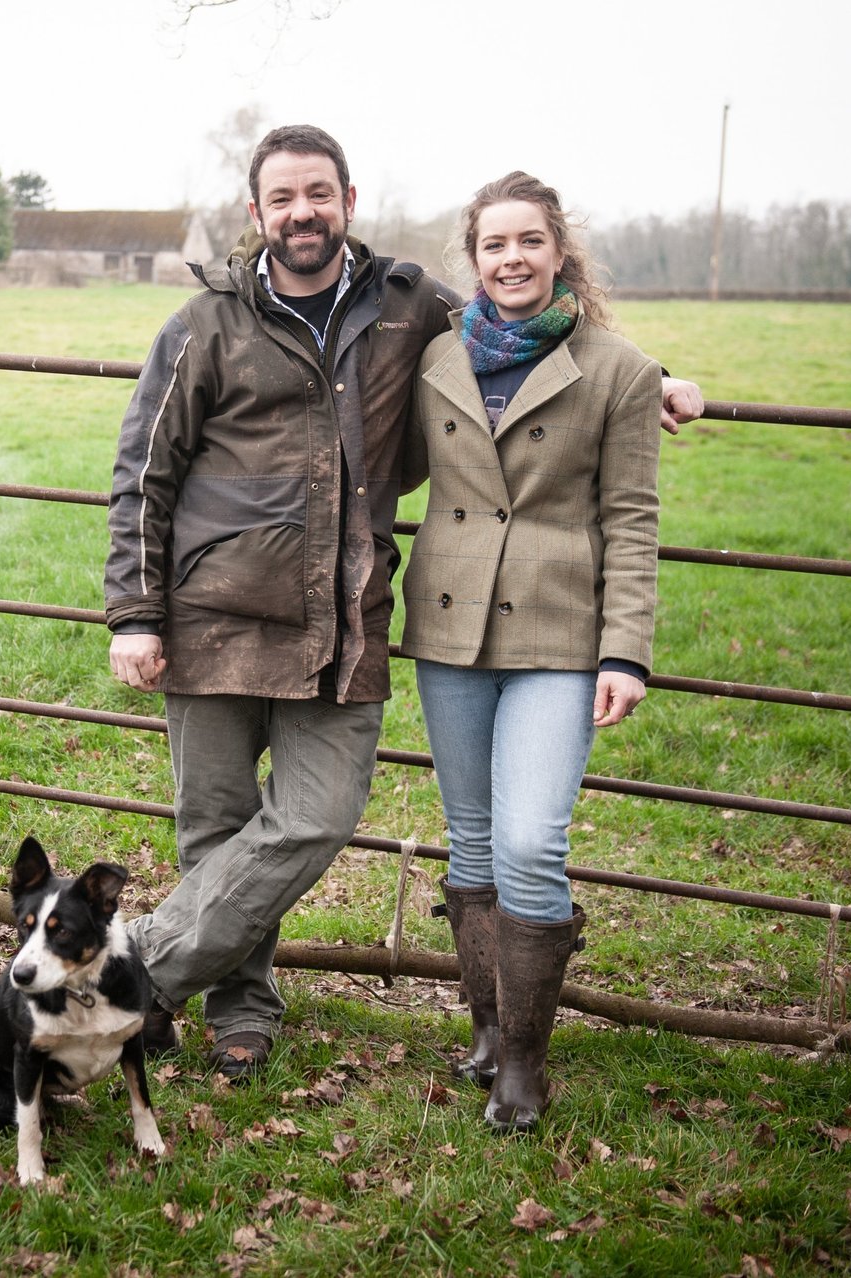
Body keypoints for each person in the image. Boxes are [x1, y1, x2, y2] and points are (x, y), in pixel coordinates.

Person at [104, 127, 699, 1083]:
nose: (303, 213)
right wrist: (134, 612)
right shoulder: (202, 325)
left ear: (348, 200)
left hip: (343, 614)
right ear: (255, 216)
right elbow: (144, 468)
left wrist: (653, 377)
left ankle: (136, 976)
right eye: (282, 198)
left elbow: (532, 332)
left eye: (319, 194)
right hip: (211, 613)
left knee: (312, 818)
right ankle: (238, 1008)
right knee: (215, 827)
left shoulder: (408, 306)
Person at [402, 171, 663, 1134]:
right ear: (472, 261)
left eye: (529, 243)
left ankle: (524, 1061)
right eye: (493, 246)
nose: (511, 260)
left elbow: (632, 521)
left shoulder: (620, 370)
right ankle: (485, 1028)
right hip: (450, 622)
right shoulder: (435, 357)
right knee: (471, 838)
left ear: (560, 253)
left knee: (527, 843)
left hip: (560, 632)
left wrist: (625, 653)